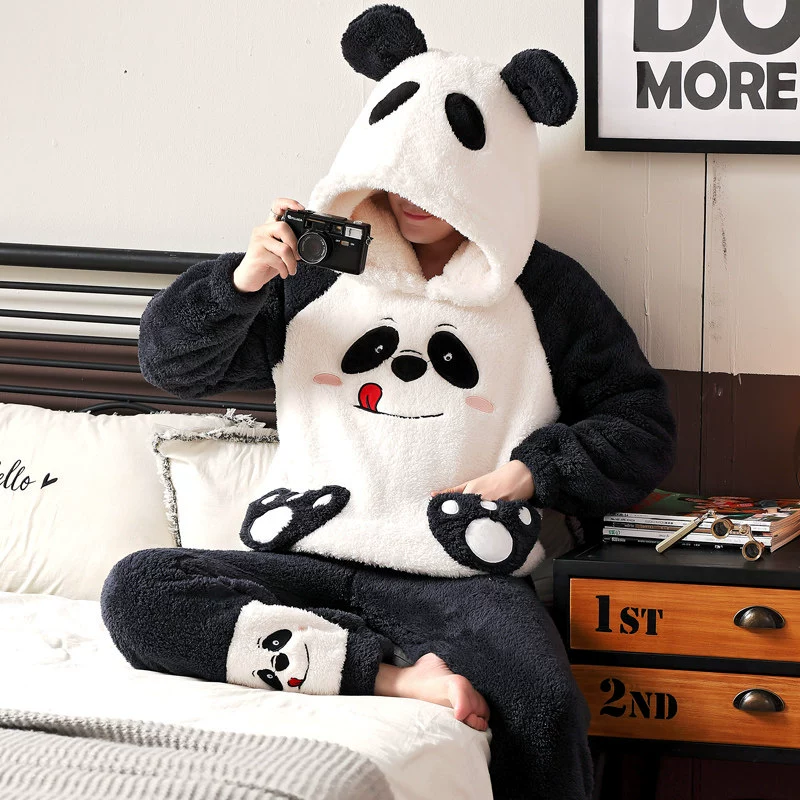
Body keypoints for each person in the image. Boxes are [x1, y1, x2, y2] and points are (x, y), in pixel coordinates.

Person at [101, 6, 677, 798]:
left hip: (458, 580)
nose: (411, 197)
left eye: (435, 182)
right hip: (301, 561)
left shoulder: (547, 291)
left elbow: (642, 426)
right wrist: (240, 282)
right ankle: (393, 677)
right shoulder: (311, 266)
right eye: (397, 174)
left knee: (545, 709)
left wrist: (529, 473)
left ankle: (361, 660)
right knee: (138, 589)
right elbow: (169, 364)